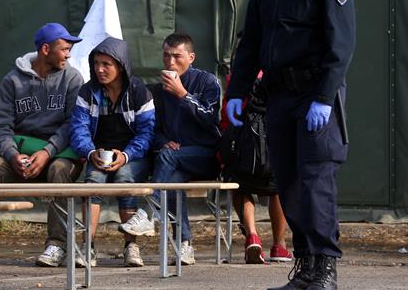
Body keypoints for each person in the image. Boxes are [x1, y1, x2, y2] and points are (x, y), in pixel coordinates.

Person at [225, 0, 355, 290]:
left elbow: (341, 45)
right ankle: (304, 268)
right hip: (277, 97)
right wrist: (236, 92)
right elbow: (251, 42)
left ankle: (326, 270)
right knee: (288, 183)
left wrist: (323, 98)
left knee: (316, 183)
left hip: (315, 97)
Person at [0, 23, 84, 267]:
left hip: (57, 156)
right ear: (46, 49)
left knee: (60, 170)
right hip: (20, 155)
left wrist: (46, 153)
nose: (68, 55)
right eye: (64, 49)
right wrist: (12, 155)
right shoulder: (12, 80)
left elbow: (72, 125)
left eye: (69, 50)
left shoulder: (72, 78)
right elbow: (0, 127)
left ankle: (56, 245)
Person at [119, 33, 222, 265]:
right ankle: (184, 244)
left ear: (191, 57)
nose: (171, 62)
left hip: (205, 155)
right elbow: (152, 128)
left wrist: (182, 94)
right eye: (166, 56)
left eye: (177, 56)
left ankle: (148, 213)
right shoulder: (156, 91)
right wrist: (163, 141)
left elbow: (210, 119)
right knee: (173, 179)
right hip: (174, 159)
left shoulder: (207, 82)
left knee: (168, 159)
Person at [70, 37, 155, 268]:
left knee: (124, 178)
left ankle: (131, 246)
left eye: (106, 64)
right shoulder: (87, 92)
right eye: (97, 63)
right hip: (98, 155)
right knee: (93, 182)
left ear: (121, 65)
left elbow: (147, 134)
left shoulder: (139, 92)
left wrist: (125, 155)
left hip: (132, 156)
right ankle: (88, 247)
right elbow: (79, 129)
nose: (100, 69)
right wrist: (90, 153)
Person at [220, 74, 293, 264]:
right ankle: (279, 246)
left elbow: (226, 116)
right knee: (277, 189)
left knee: (240, 186)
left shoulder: (236, 77)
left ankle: (252, 236)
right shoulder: (282, 70)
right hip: (274, 142)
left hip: (243, 146)